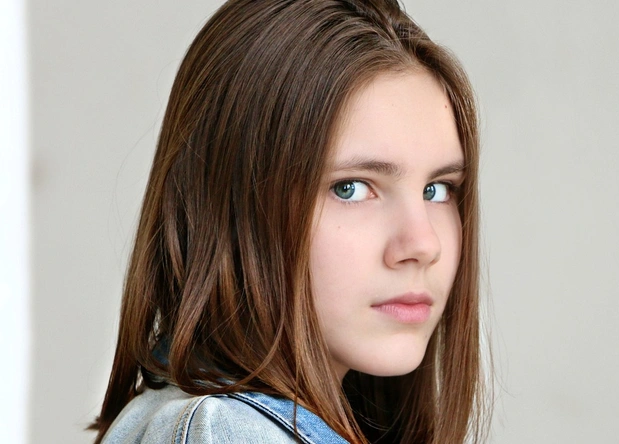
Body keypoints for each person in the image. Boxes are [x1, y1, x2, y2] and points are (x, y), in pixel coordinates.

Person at [91, 0, 490, 442]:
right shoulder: (226, 431)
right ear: (235, 206)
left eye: (438, 189)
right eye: (351, 188)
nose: (424, 244)